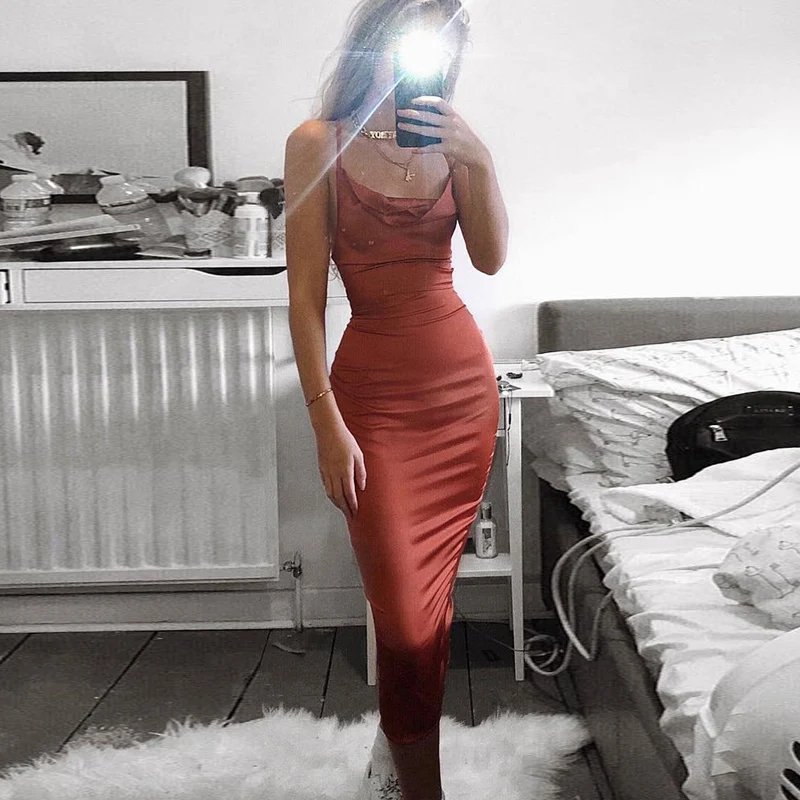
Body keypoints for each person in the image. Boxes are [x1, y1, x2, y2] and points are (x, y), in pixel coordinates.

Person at [284, 1, 508, 798]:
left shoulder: (454, 137)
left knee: (431, 604)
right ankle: (419, 778)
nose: (428, 48)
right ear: (374, 36)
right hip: (373, 403)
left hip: (463, 396)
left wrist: (478, 159)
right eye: (413, 30)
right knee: (407, 621)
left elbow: (490, 259)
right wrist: (325, 421)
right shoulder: (318, 142)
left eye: (444, 39)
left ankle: (405, 764)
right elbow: (304, 297)